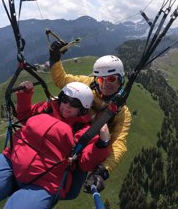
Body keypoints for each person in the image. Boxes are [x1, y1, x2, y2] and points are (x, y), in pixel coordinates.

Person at [0, 81, 111, 209]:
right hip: (13, 160)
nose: (67, 105)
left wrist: (102, 142)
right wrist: (25, 94)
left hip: (46, 180)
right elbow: (24, 117)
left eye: (74, 104)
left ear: (83, 109)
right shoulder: (47, 108)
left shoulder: (83, 130)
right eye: (65, 99)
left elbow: (85, 163)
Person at [49, 41, 132, 196]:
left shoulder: (122, 113)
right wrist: (55, 58)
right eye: (101, 79)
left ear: (120, 79)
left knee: (71, 192)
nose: (106, 84)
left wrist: (102, 171)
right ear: (96, 79)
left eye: (112, 79)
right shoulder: (87, 84)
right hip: (66, 131)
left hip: (86, 148)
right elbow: (62, 80)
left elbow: (119, 143)